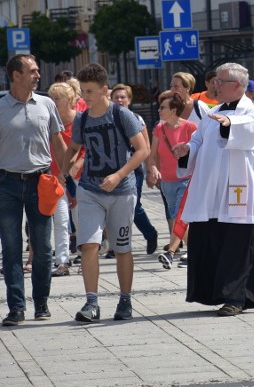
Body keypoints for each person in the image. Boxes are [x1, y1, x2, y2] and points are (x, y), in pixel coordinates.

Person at [172, 63, 254, 316]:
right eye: (215, 81)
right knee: (213, 239)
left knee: (237, 244)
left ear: (238, 86)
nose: (215, 85)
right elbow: (199, 139)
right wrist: (187, 149)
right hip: (211, 191)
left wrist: (228, 124)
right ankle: (216, 292)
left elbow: (251, 130)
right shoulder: (213, 113)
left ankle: (237, 298)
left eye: (221, 81)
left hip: (239, 192)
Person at [0, 55, 67, 326]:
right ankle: (16, 307)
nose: (38, 75)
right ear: (16, 75)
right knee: (11, 247)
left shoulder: (46, 103)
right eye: (32, 70)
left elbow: (58, 144)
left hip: (41, 181)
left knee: (43, 246)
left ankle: (41, 303)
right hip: (7, 184)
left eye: (37, 70)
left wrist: (68, 176)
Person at [60, 64, 149, 323]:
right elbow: (73, 147)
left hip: (122, 191)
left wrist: (119, 174)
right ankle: (91, 303)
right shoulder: (82, 119)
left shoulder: (122, 115)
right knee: (89, 245)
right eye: (82, 91)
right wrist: (63, 172)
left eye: (89, 91)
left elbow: (143, 150)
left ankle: (125, 299)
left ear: (104, 90)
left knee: (122, 248)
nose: (84, 97)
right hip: (90, 190)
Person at [149, 90, 198, 269]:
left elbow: (199, 152)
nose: (159, 110)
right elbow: (152, 155)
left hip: (186, 179)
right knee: (177, 217)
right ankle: (196, 250)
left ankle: (170, 253)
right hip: (167, 182)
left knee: (179, 215)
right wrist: (153, 169)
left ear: (174, 109)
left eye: (163, 107)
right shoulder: (159, 129)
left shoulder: (190, 127)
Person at [111, 84, 158, 256]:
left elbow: (145, 146)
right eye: (116, 97)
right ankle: (115, 245)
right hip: (111, 170)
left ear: (129, 100)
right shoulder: (107, 118)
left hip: (133, 170)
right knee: (113, 208)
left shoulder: (137, 119)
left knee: (134, 206)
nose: (119, 100)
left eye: (123, 97)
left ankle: (150, 233)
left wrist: (151, 169)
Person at [47, 81, 85, 277]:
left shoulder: (81, 120)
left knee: (81, 220)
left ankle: (85, 258)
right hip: (56, 176)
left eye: (56, 98)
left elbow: (88, 148)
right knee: (60, 220)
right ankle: (62, 261)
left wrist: (76, 165)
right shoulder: (49, 122)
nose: (53, 102)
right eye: (51, 98)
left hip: (79, 178)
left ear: (70, 100)